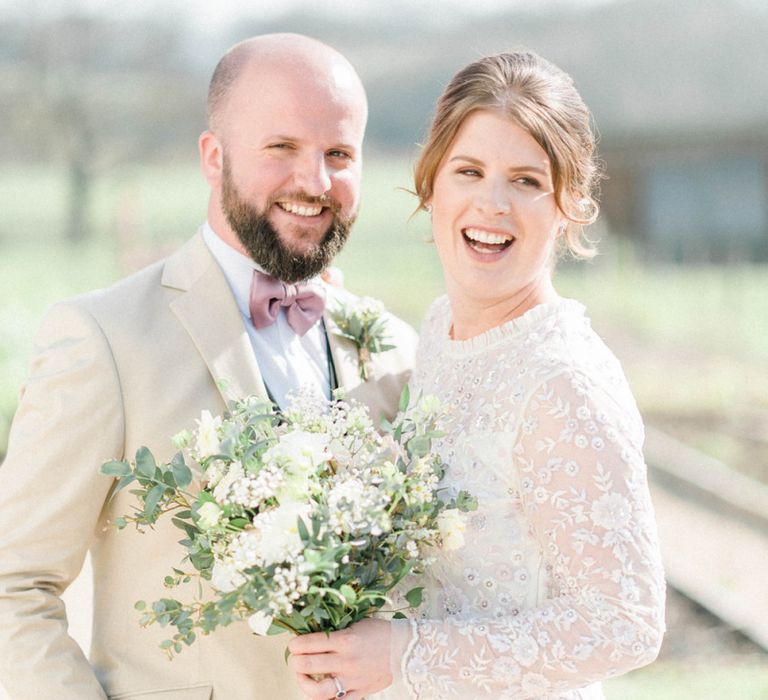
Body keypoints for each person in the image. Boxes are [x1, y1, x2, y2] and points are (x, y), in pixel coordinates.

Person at [0, 34, 417, 700]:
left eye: (339, 154)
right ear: (213, 156)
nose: (315, 182)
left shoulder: (395, 348)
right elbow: (12, 587)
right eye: (281, 148)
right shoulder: (104, 339)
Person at [287, 50, 666, 700]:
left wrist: (408, 655)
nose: (492, 203)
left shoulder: (561, 379)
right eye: (470, 171)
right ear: (432, 186)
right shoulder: (442, 330)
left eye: (526, 181)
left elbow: (627, 623)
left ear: (569, 205)